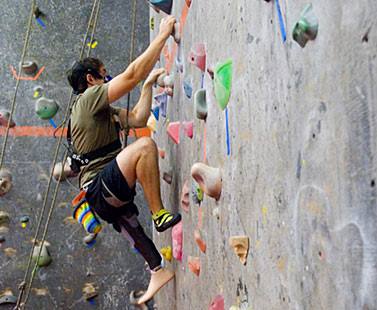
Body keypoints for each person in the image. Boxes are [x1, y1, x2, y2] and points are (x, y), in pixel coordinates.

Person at [67, 16, 180, 305]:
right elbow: (130, 75)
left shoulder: (101, 111)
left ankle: (157, 271)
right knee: (144, 147)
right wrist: (163, 35)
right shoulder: (87, 100)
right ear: (90, 79)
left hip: (105, 191)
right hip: (99, 187)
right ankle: (159, 214)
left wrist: (147, 88)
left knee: (134, 229)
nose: (108, 78)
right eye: (104, 74)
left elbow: (139, 118)